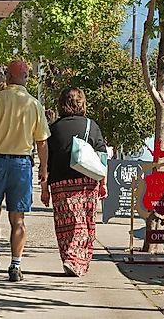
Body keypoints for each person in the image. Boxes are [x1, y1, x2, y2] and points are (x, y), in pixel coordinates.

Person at [0, 60, 51, 282]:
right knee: (18, 219)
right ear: (26, 77)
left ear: (7, 76)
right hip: (21, 165)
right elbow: (42, 142)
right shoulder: (34, 104)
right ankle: (15, 265)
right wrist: (44, 168)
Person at [42, 87, 108, 277]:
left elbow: (47, 161)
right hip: (86, 180)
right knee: (85, 222)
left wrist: (45, 188)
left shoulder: (53, 128)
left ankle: (70, 258)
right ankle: (79, 260)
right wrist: (104, 182)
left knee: (66, 224)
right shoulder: (91, 125)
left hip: (60, 183)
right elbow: (102, 155)